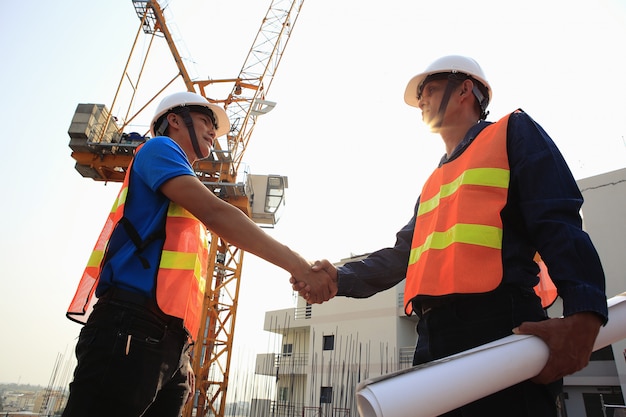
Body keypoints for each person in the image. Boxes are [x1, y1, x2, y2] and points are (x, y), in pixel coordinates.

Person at [292, 55, 608, 416]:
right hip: (432, 336)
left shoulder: (512, 131)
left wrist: (585, 313)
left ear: (464, 90)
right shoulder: (433, 181)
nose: (421, 101)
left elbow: (557, 217)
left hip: (501, 325)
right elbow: (403, 254)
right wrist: (340, 276)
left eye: (429, 90)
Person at [63, 91, 335, 417]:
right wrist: (298, 265)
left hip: (165, 341)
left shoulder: (180, 183)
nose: (213, 131)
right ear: (174, 120)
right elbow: (217, 214)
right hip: (130, 326)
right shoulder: (159, 148)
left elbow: (176, 281)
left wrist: (183, 354)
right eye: (206, 120)